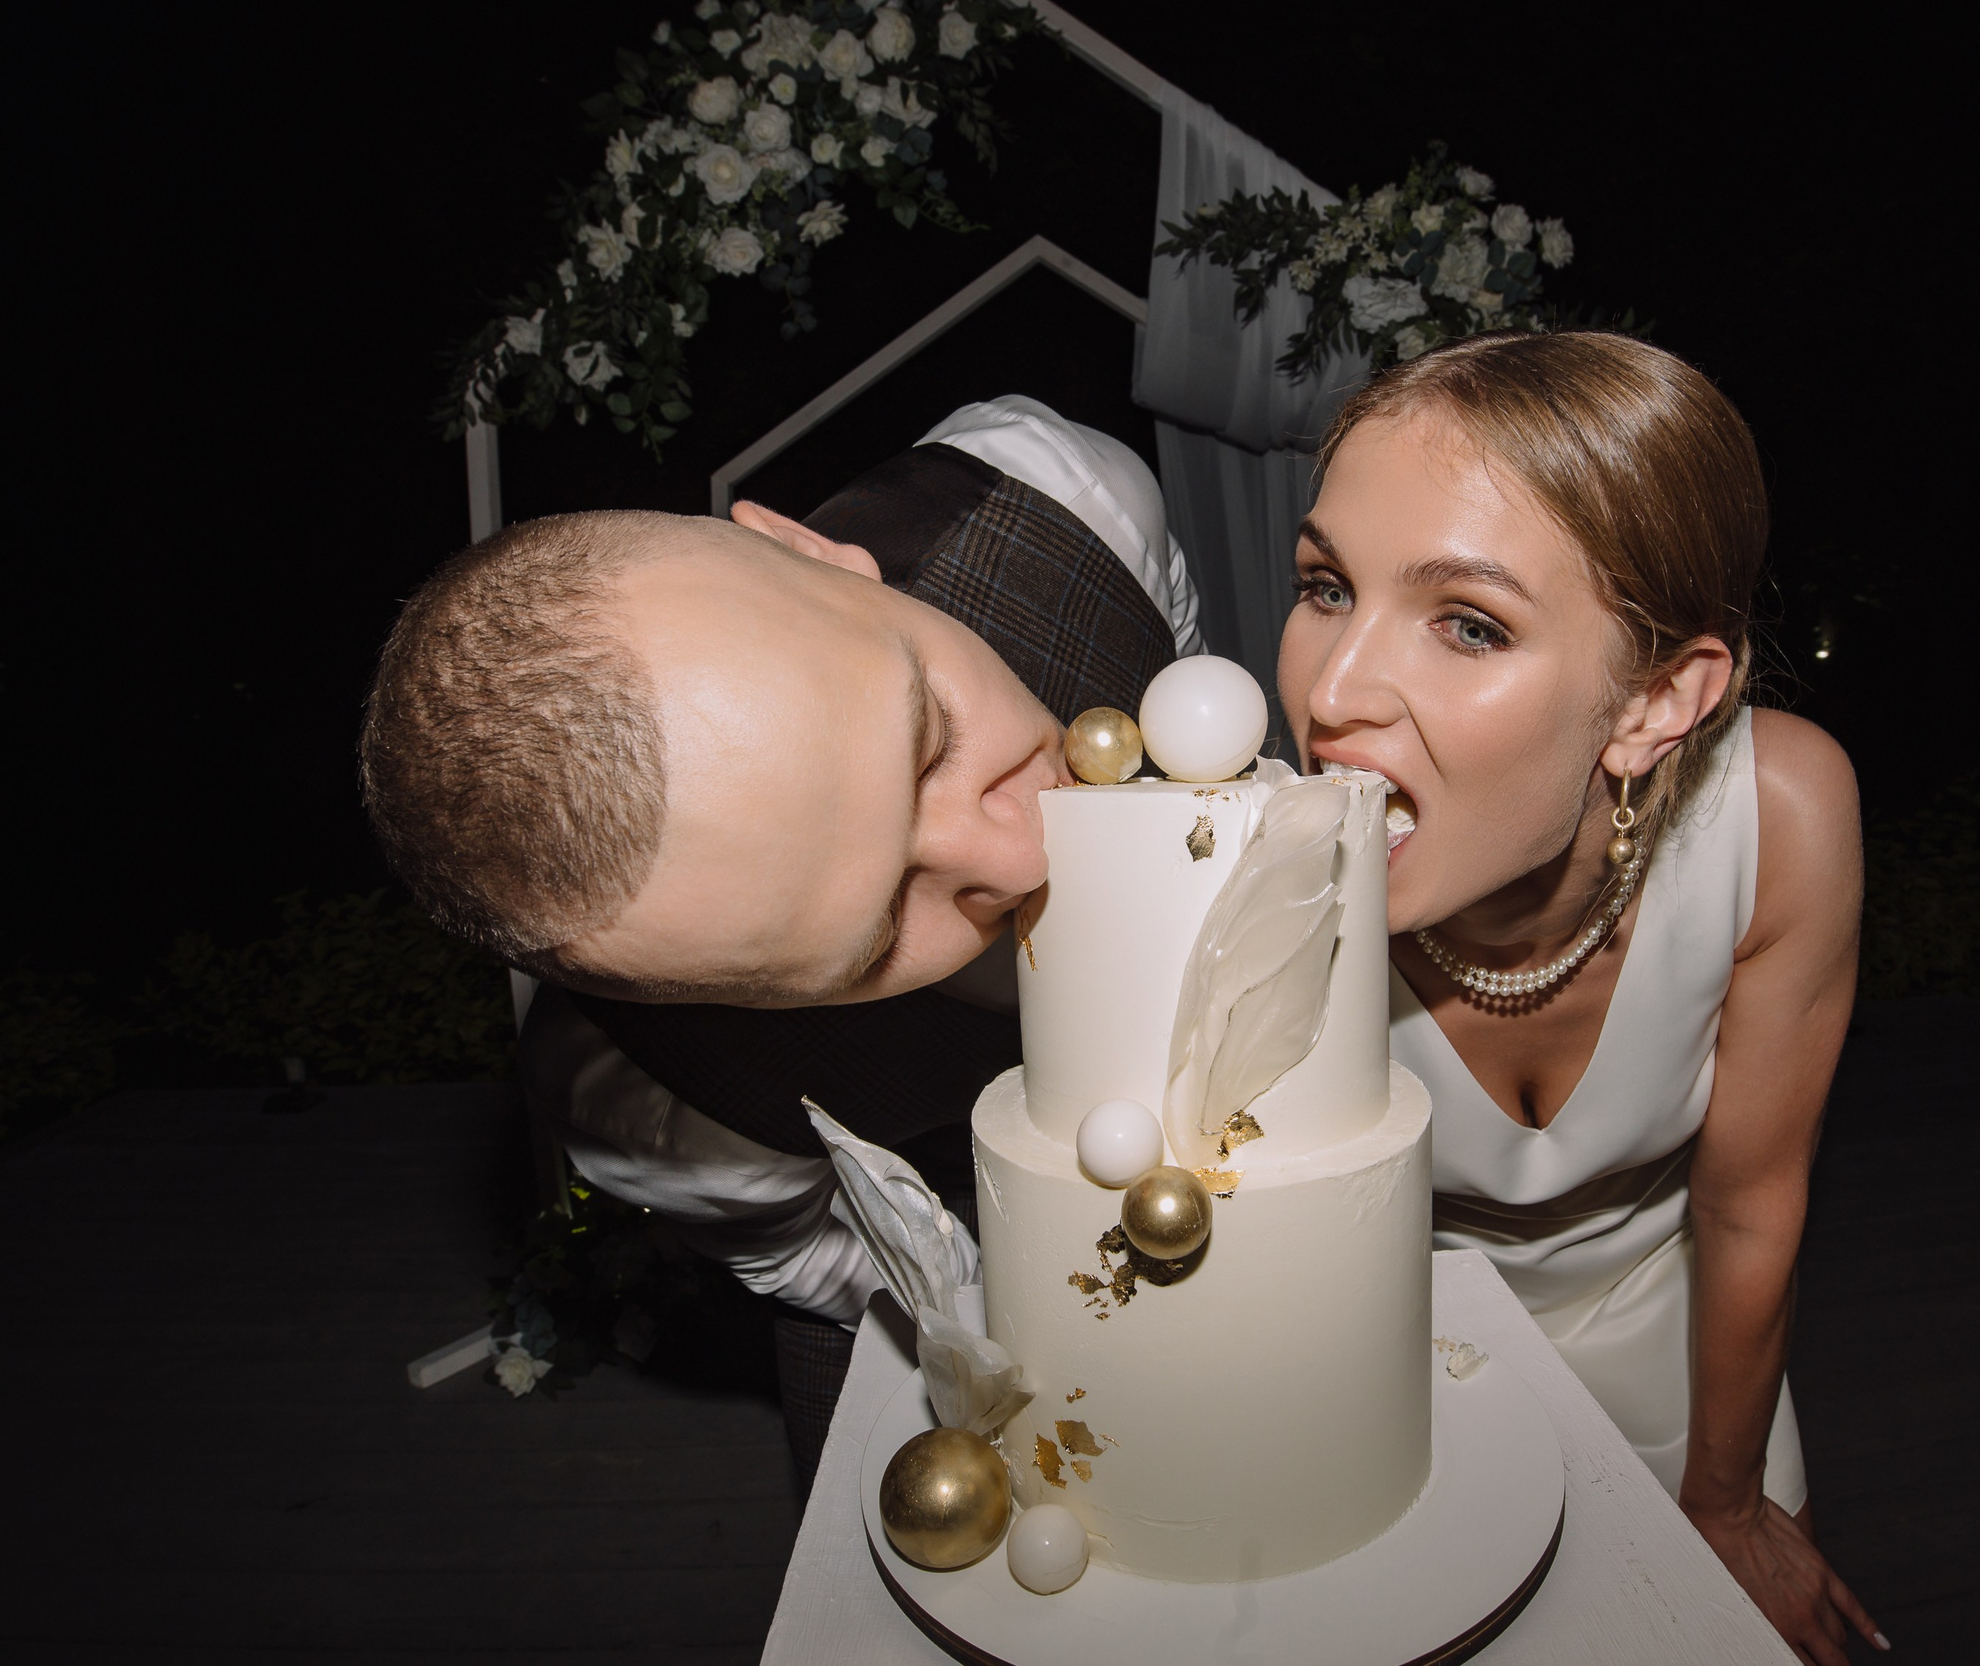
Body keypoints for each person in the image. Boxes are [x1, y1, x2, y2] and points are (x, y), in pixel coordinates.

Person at [361, 397, 1196, 1482]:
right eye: (880, 931)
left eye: (930, 736)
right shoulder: (652, 1102)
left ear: (812, 553)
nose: (1024, 856)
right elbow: (824, 1253)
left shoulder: (1068, 498)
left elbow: (1188, 672)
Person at [1280, 330, 1885, 1664]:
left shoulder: (1779, 816)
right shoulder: (1248, 865)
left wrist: (1725, 1503)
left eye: (1469, 621)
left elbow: (1748, 1196)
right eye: (1326, 585)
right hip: (1375, 1361)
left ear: (1657, 700)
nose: (1326, 694)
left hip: (1678, 1353)